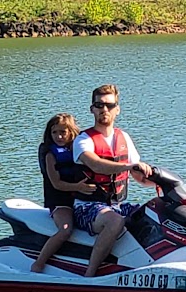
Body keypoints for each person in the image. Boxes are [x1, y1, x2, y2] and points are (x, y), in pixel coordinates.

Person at [71, 84, 153, 276]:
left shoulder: (123, 137)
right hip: (87, 207)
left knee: (156, 211)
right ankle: (90, 273)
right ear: (92, 109)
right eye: (99, 105)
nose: (104, 110)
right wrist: (128, 166)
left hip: (116, 204)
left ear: (117, 109)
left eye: (109, 105)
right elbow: (97, 165)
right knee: (115, 221)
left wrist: (161, 183)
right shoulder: (83, 140)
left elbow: (138, 174)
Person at [30, 112, 91, 272]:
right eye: (54, 132)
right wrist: (78, 187)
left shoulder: (81, 151)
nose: (58, 136)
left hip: (80, 198)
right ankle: (39, 263)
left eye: (63, 132)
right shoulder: (51, 155)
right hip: (60, 201)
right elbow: (56, 184)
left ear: (72, 132)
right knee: (65, 229)